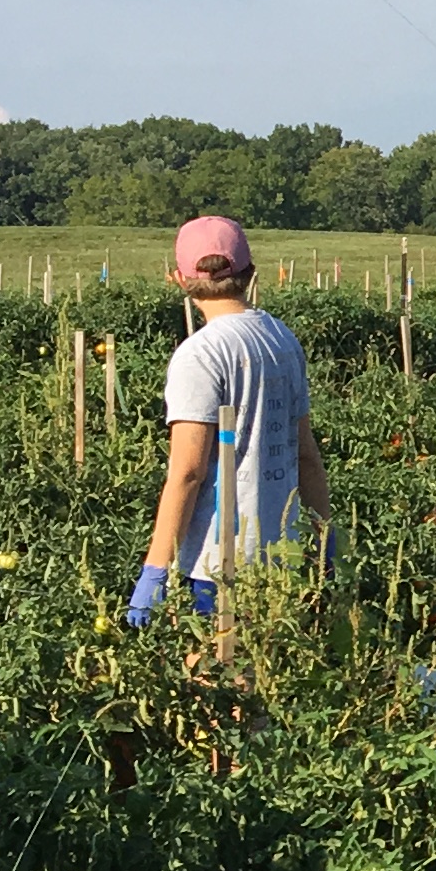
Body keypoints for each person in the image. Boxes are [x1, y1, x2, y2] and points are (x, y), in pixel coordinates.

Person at [127, 215, 327, 625]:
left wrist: (156, 568)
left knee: (212, 663)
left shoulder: (201, 354)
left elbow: (188, 471)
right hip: (283, 552)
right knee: (269, 657)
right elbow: (306, 454)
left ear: (179, 280)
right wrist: (325, 540)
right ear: (251, 273)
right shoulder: (282, 338)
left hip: (215, 562)